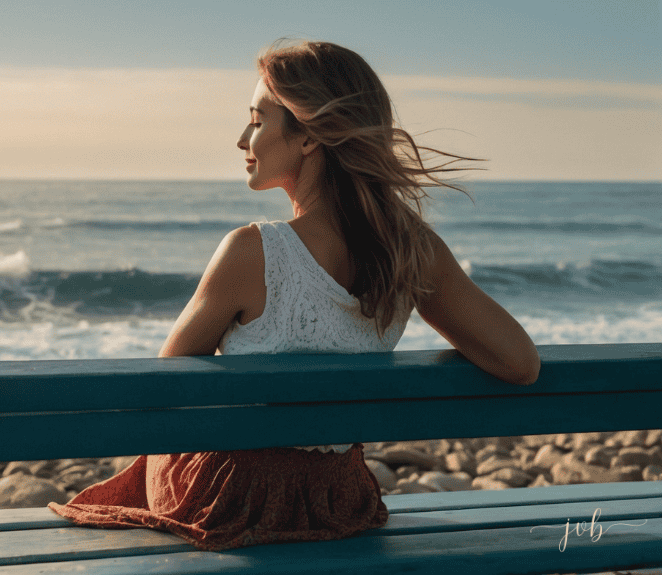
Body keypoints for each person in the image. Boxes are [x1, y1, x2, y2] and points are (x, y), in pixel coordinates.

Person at [49, 40, 540, 551]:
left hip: (228, 503)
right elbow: (519, 363)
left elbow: (165, 391)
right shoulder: (413, 252)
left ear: (307, 137)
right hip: (340, 500)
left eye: (258, 121)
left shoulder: (252, 251)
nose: (243, 139)